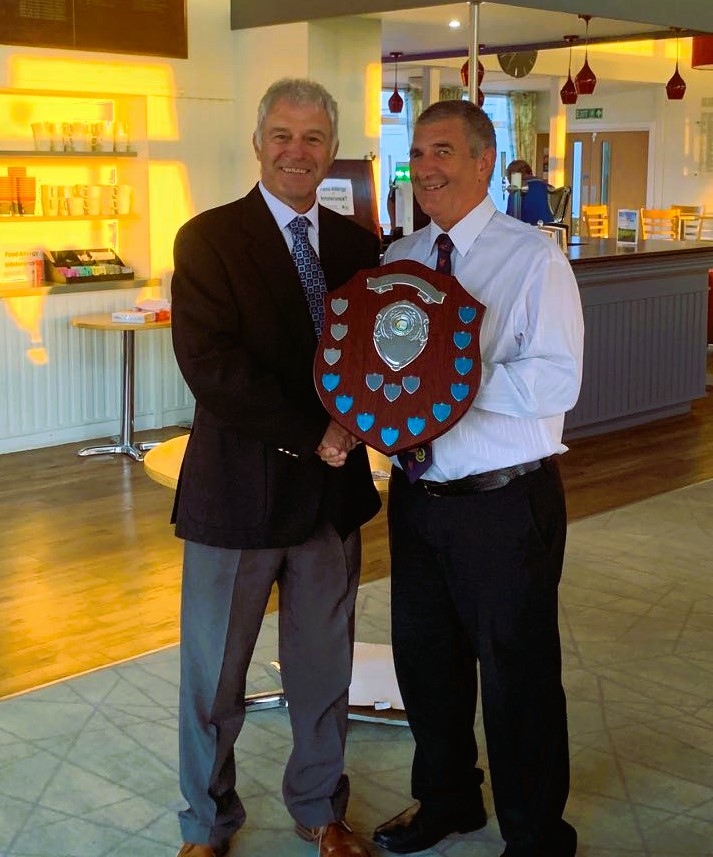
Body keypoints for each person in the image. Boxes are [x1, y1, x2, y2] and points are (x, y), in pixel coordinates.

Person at [170, 78, 382, 857]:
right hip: (236, 498)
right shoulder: (208, 239)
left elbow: (374, 360)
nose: (298, 151)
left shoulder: (362, 245)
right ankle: (206, 821)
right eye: (283, 136)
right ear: (258, 143)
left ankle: (319, 807)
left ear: (333, 148)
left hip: (330, 500)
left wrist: (361, 425)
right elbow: (211, 366)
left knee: (323, 671)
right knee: (213, 681)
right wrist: (313, 431)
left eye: (314, 138)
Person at [372, 100, 584, 857]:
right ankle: (448, 800)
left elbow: (556, 382)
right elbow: (380, 376)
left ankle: (534, 835)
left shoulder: (532, 258)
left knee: (515, 673)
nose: (426, 166)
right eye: (417, 152)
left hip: (502, 500)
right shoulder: (398, 259)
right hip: (417, 496)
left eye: (442, 151)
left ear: (484, 159)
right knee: (424, 661)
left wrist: (451, 384)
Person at [505, 158, 555, 225]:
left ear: (515, 176)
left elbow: (511, 222)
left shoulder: (517, 190)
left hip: (528, 232)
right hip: (550, 231)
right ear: (530, 171)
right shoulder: (550, 188)